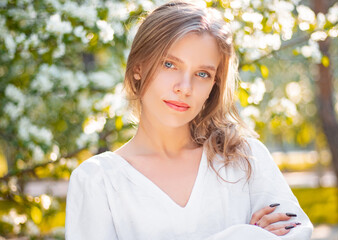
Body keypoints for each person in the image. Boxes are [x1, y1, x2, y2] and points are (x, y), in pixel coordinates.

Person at [65, 1, 313, 239]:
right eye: (170, 64)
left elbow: (297, 234)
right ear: (138, 67)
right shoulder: (97, 181)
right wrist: (246, 234)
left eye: (202, 74)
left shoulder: (246, 160)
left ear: (213, 85)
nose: (185, 88)